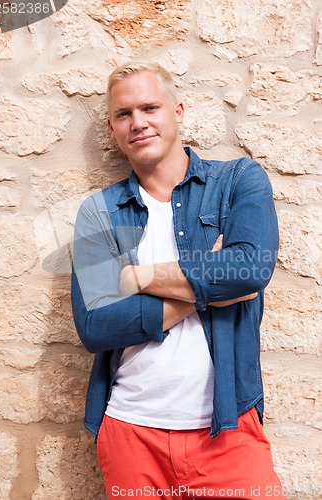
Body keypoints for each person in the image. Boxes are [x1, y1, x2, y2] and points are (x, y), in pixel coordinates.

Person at [71, 61, 286, 500]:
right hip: (130, 431)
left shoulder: (237, 180)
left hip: (226, 428)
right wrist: (208, 290)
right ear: (112, 129)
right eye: (123, 114)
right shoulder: (99, 213)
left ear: (178, 111)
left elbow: (249, 270)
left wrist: (136, 277)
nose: (138, 122)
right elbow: (95, 327)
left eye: (150, 107)